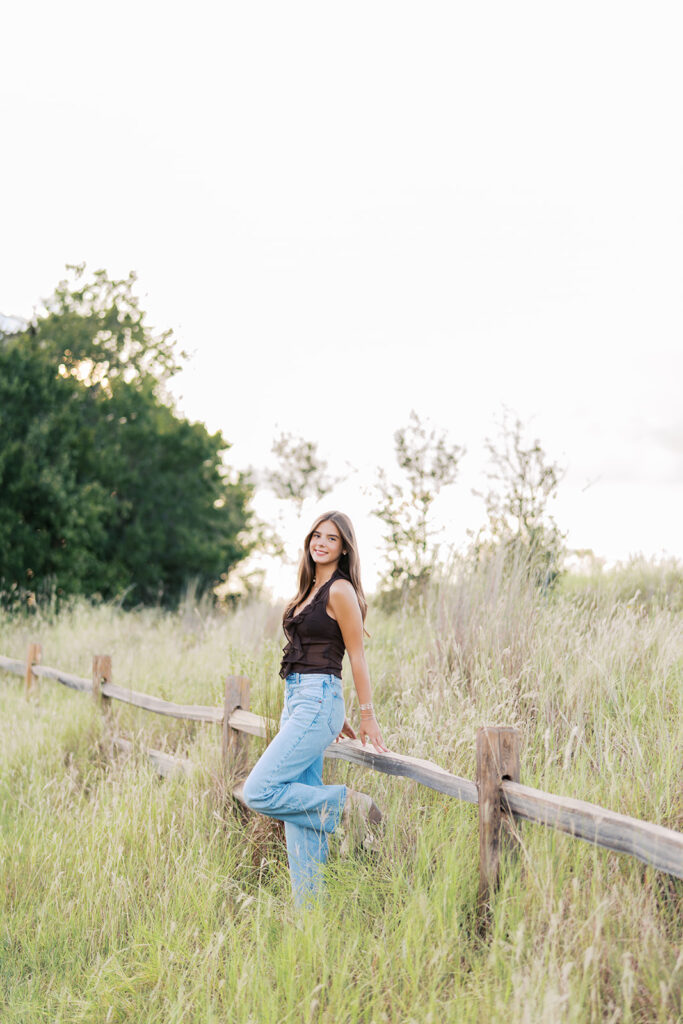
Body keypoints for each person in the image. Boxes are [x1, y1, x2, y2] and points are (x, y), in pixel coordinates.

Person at [242, 510, 387, 907]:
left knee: (259, 790)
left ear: (344, 550)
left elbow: (356, 657)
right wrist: (331, 713)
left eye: (332, 539)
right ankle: (311, 918)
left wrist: (365, 714)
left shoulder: (339, 591)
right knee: (298, 818)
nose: (320, 543)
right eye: (317, 536)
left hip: (318, 698)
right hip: (300, 700)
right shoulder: (306, 590)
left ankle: (346, 804)